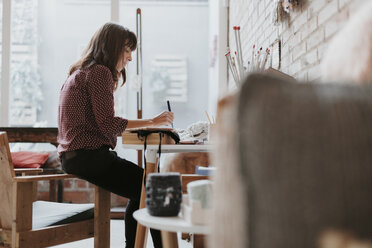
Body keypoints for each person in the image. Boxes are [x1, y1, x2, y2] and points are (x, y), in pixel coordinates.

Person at [57, 22, 173, 248]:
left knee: (142, 188)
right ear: (112, 47)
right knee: (153, 187)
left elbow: (103, 123)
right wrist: (153, 121)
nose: (130, 58)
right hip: (88, 157)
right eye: (127, 50)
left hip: (76, 157)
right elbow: (108, 124)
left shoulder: (81, 72)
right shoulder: (99, 72)